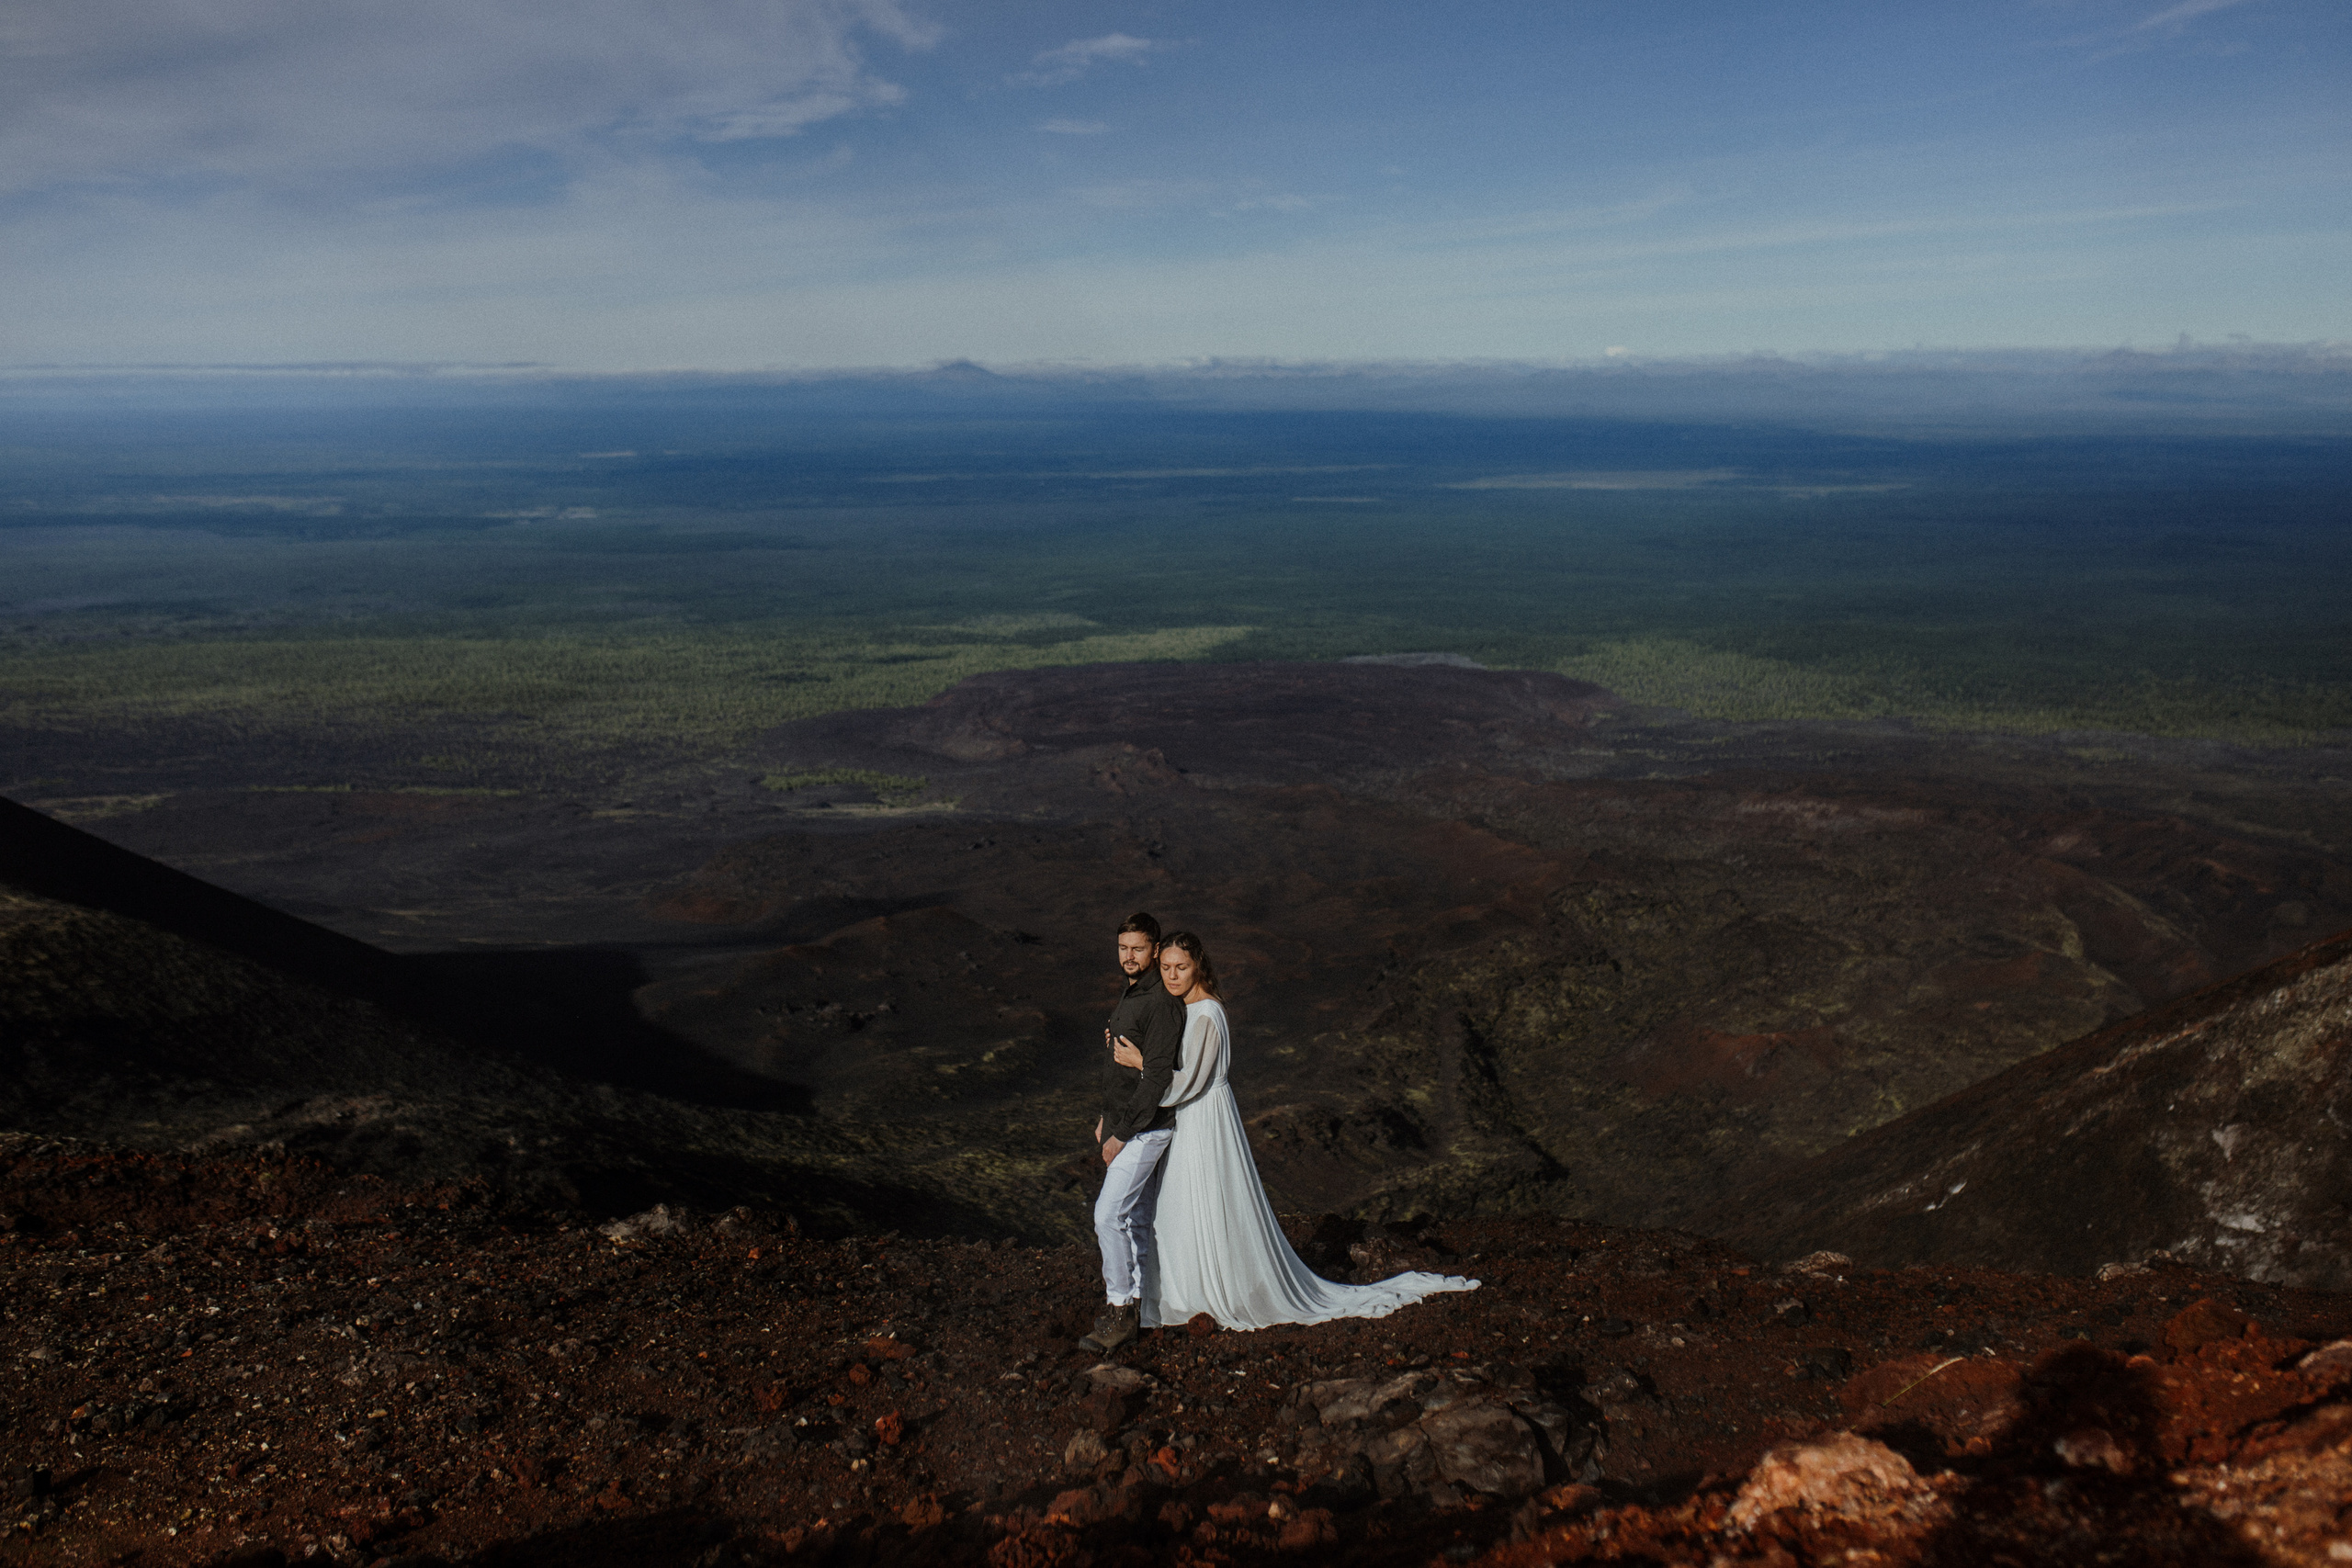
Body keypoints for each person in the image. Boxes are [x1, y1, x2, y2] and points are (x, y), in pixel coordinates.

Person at [1115, 931, 1477, 1331]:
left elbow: (1188, 1083)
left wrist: (1141, 1064)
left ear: (1198, 966)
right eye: (1166, 967)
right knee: (1186, 1205)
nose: (1172, 976)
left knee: (1206, 1200)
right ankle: (1192, 1289)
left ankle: (1214, 1290)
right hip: (1193, 1117)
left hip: (1203, 1118)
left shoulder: (1206, 1015)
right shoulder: (1186, 1009)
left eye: (1181, 967)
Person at [1080, 911, 1189, 1353]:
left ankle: (1120, 1308)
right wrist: (1106, 1116)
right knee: (1137, 1219)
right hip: (1128, 1122)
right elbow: (1124, 1066)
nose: (1129, 956)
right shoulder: (1133, 993)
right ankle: (1143, 1309)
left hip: (1145, 1129)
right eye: (1123, 948)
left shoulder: (1160, 1002)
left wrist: (1121, 1133)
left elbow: (1156, 1077)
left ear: (1155, 950)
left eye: (1138, 949)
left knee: (1108, 1216)